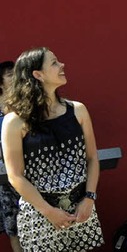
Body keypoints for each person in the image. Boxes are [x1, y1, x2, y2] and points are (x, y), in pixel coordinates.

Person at [1, 48, 104, 251]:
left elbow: (92, 158)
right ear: (37, 75)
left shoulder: (78, 110)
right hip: (39, 215)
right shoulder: (14, 122)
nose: (62, 65)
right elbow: (15, 176)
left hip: (81, 210)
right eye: (54, 63)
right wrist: (48, 211)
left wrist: (89, 198)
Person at [0, 61, 21, 252]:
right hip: (3, 176)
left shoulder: (25, 103)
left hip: (25, 169)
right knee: (12, 225)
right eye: (8, 75)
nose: (13, 78)